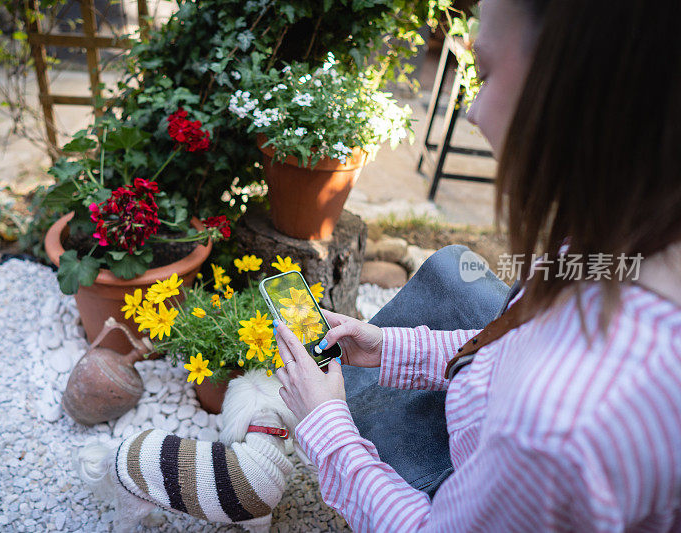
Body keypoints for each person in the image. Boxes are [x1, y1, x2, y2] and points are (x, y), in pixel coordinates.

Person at [273, 0, 681, 530]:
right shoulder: (627, 240)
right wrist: (388, 348)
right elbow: (518, 339)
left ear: (571, 91)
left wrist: (328, 430)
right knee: (451, 269)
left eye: (483, 74)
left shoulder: (554, 430)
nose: (472, 112)